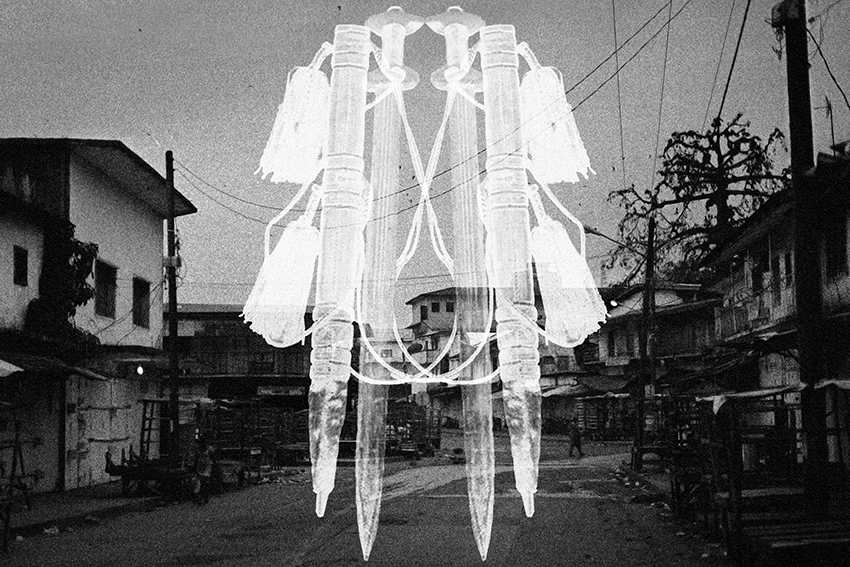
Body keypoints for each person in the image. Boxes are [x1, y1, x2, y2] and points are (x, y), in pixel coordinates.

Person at [194, 437, 215, 504]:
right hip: (200, 467)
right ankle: (201, 497)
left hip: (207, 466)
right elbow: (196, 458)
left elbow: (213, 457)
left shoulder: (209, 449)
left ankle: (205, 497)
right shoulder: (198, 449)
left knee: (205, 482)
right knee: (200, 483)